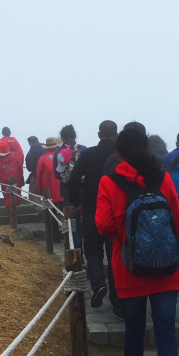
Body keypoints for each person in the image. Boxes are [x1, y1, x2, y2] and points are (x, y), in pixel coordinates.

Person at [96, 127, 179, 356]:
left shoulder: (109, 182)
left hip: (129, 268)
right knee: (166, 335)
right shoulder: (162, 177)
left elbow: (103, 226)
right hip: (166, 268)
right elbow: (178, 222)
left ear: (120, 153)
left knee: (134, 328)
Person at [67, 120, 121, 315]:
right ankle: (117, 301)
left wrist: (76, 201)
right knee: (115, 255)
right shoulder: (120, 155)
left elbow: (73, 179)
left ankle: (98, 284)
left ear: (99, 135)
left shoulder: (88, 154)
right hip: (116, 213)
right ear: (116, 134)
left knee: (93, 252)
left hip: (92, 210)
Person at [55, 124, 85, 248]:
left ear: (62, 137)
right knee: (88, 222)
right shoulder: (83, 149)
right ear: (75, 135)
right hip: (85, 191)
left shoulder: (58, 152)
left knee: (73, 225)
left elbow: (57, 175)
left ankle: (77, 255)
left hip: (67, 192)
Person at [0, 141, 24, 208]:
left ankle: (11, 214)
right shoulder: (15, 157)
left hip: (5, 182)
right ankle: (15, 213)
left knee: (8, 199)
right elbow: (20, 169)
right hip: (17, 180)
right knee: (17, 197)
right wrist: (22, 182)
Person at [36, 136, 63, 212]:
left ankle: (54, 224)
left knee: (51, 214)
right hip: (62, 190)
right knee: (65, 214)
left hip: (48, 191)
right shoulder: (62, 156)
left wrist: (41, 192)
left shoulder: (42, 159)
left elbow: (38, 177)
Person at [24, 136, 45, 202]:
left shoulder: (32, 150)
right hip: (48, 173)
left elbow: (29, 163)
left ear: (31, 142)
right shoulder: (45, 146)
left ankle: (40, 209)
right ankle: (48, 209)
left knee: (33, 194)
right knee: (47, 193)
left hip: (36, 174)